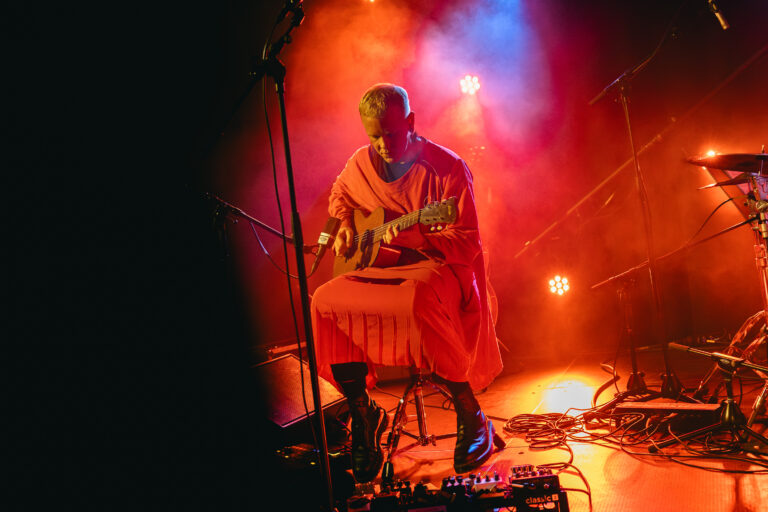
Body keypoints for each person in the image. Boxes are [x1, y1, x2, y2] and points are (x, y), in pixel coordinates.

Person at [310, 83, 503, 483]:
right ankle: (363, 414)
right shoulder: (360, 164)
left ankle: (471, 413)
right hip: (382, 268)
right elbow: (340, 195)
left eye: (391, 134)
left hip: (439, 268)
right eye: (374, 135)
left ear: (411, 122)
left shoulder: (448, 167)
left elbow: (468, 241)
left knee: (416, 301)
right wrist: (346, 225)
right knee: (324, 299)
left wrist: (424, 237)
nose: (382, 144)